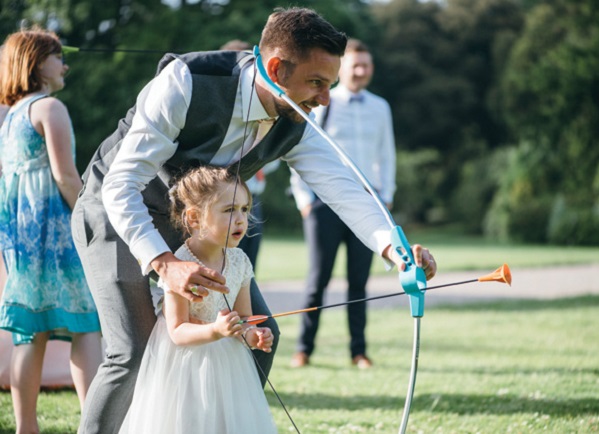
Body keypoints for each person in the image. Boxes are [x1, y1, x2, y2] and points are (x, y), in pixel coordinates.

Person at [72, 7, 437, 434]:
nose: (325, 99)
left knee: (261, 338)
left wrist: (395, 250)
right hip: (117, 214)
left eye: (330, 85)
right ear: (278, 68)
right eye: (316, 83)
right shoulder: (186, 82)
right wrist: (164, 263)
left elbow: (342, 187)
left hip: (196, 229)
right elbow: (121, 184)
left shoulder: (297, 120)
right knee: (133, 350)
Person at [119, 166, 276, 433]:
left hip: (229, 366)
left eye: (245, 209)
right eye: (229, 210)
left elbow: (245, 317)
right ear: (194, 218)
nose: (240, 219)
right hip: (186, 367)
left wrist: (251, 335)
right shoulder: (179, 265)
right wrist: (215, 330)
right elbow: (177, 331)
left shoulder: (239, 261)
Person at [0, 28, 102, 433]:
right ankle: (96, 424)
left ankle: (26, 428)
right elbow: (66, 177)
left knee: (31, 332)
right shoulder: (50, 109)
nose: (65, 65)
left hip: (23, 241)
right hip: (57, 236)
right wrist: (91, 221)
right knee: (86, 324)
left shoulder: (10, 117)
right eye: (58, 57)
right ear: (38, 62)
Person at [289, 39, 396, 369]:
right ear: (343, 68)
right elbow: (300, 147)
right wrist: (305, 200)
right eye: (355, 65)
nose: (361, 71)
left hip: (367, 203)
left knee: (359, 283)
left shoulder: (381, 107)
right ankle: (304, 349)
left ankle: (358, 352)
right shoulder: (324, 100)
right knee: (317, 280)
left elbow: (386, 154)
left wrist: (386, 198)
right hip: (324, 203)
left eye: (366, 65)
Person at [220, 39, 280, 271]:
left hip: (254, 200)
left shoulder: (261, 114)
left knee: (248, 264)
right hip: (223, 201)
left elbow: (273, 162)